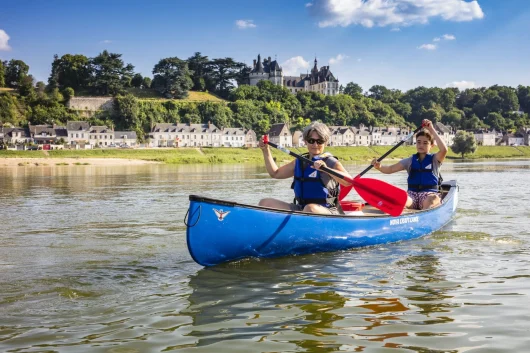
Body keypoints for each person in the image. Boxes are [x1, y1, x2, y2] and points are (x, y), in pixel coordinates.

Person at [258, 122, 352, 215]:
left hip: (328, 210)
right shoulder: (299, 161)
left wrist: (326, 169)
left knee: (310, 208)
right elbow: (275, 173)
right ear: (305, 141)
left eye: (320, 141)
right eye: (311, 141)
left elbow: (349, 182)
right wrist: (265, 150)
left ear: (326, 142)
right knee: (265, 203)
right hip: (302, 208)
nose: (315, 144)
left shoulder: (331, 161)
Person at [371, 119, 448, 210]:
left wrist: (431, 129)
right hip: (412, 196)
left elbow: (444, 150)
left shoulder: (435, 159)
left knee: (433, 199)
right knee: (399, 197)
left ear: (431, 145)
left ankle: (424, 215)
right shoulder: (410, 161)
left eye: (425, 143)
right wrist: (379, 167)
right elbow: (391, 169)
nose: (421, 145)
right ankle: (401, 214)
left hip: (429, 195)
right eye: (418, 142)